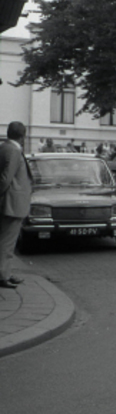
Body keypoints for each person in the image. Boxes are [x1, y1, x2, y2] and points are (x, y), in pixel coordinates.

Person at [0, 122, 33, 290]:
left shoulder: (4, 147)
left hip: (9, 202)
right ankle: (3, 275)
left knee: (6, 240)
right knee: (7, 242)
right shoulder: (14, 150)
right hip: (12, 204)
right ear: (23, 136)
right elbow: (6, 178)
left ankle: (5, 271)